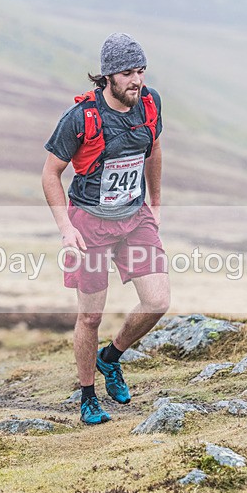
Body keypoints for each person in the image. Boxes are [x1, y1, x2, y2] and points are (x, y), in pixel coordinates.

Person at [42, 33, 170, 424]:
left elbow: (154, 149)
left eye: (141, 71)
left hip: (134, 219)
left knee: (158, 302)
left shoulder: (150, 102)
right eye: (129, 73)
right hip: (90, 224)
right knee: (90, 317)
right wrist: (65, 228)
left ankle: (110, 357)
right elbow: (50, 174)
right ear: (108, 76)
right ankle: (87, 396)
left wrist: (156, 203)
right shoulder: (80, 117)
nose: (137, 80)